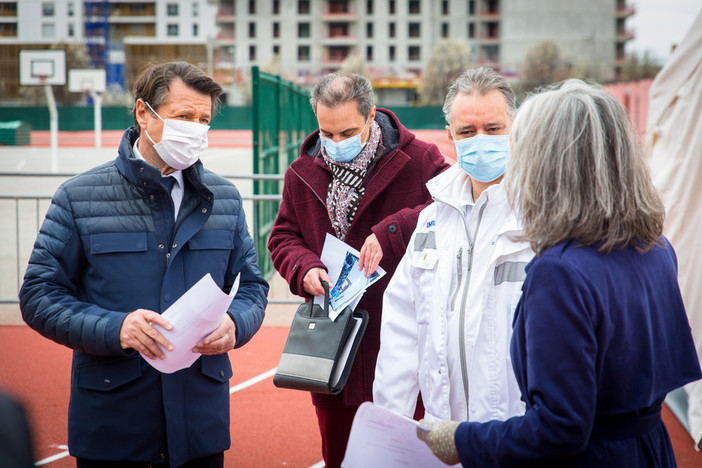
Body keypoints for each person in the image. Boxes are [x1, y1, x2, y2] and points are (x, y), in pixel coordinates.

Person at [416, 80, 702, 467]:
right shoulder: (655, 248)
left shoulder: (560, 272)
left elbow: (559, 427)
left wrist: (462, 439)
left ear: (548, 164)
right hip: (649, 449)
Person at [19, 62, 269, 468]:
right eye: (183, 117)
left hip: (199, 428)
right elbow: (38, 296)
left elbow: (253, 287)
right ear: (142, 113)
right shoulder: (78, 197)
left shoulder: (225, 198)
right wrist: (117, 328)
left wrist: (235, 325)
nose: (195, 130)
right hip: (114, 426)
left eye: (203, 120)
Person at [267, 72, 448, 467]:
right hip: (335, 354)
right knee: (342, 458)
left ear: (371, 118)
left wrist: (392, 231)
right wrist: (305, 269)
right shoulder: (301, 173)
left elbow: (451, 210)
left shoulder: (421, 161)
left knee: (408, 456)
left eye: (347, 131)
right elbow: (282, 238)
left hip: (402, 344)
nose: (335, 144)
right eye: (326, 133)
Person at [373, 67, 533, 425]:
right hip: (443, 435)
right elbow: (402, 329)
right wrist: (391, 425)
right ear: (450, 137)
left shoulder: (541, 216)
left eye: (493, 129)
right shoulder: (432, 221)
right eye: (467, 131)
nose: (480, 139)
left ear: (516, 129)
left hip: (518, 434)